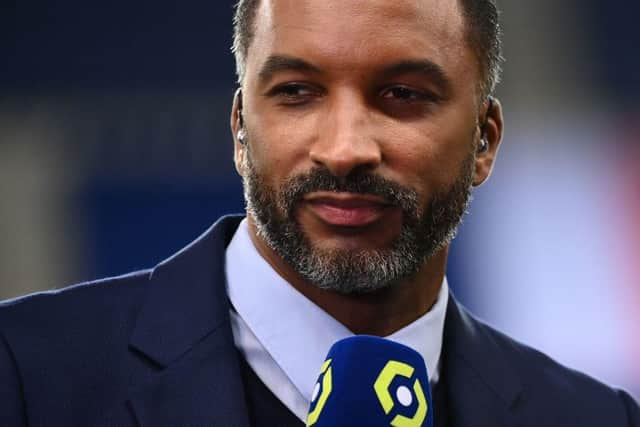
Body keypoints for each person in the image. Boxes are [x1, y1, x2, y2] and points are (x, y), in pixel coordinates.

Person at [1, 0, 638, 426]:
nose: (344, 149)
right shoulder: (24, 376)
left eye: (403, 95)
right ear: (240, 130)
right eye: (297, 93)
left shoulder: (596, 418)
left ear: (485, 141)